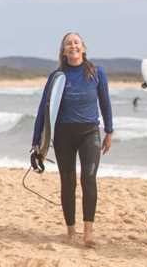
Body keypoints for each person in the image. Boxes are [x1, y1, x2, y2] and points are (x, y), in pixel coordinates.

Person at [32, 32, 113, 247]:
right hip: (63, 135)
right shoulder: (57, 77)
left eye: (76, 42)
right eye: (68, 44)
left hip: (89, 133)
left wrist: (110, 131)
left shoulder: (97, 73)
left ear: (83, 48)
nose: (73, 46)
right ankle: (70, 231)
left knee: (88, 179)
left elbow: (105, 103)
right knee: (67, 183)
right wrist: (36, 142)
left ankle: (88, 233)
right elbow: (43, 109)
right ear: (63, 50)